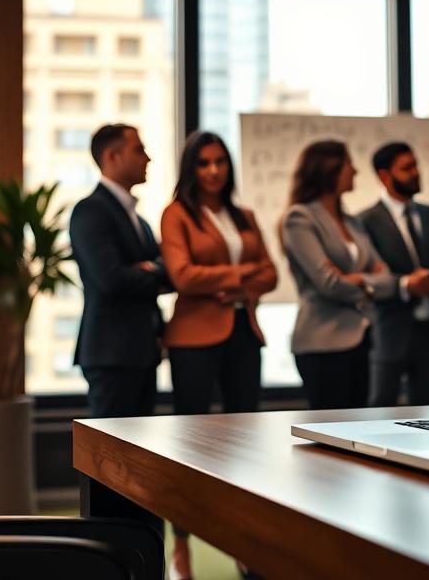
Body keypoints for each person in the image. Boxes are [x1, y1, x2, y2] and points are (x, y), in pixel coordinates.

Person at [159, 130, 278, 580]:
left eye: (220, 162)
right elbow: (183, 277)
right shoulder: (176, 215)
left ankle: (243, 541)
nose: (213, 171)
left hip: (243, 335)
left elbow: (271, 273)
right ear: (191, 169)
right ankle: (182, 546)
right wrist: (241, 273)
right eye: (203, 163)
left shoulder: (243, 214)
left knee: (245, 442)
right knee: (190, 444)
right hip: (193, 339)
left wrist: (230, 280)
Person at [281, 140, 399, 410]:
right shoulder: (300, 219)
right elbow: (329, 283)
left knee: (355, 430)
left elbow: (388, 278)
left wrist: (359, 280)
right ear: (329, 170)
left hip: (361, 340)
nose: (355, 171)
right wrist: (368, 279)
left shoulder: (352, 222)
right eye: (349, 164)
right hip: (322, 344)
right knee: (330, 433)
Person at [70, 123, 171, 420]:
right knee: (109, 457)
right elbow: (112, 280)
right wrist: (157, 269)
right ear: (112, 156)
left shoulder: (138, 219)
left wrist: (150, 268)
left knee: (137, 456)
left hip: (142, 351)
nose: (148, 159)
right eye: (138, 150)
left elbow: (170, 271)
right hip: (111, 354)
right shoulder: (90, 211)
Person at [358, 142, 429, 407]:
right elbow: (367, 277)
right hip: (388, 331)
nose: (416, 172)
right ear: (384, 175)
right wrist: (407, 285)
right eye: (406, 168)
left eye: (416, 165)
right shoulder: (365, 221)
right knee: (380, 411)